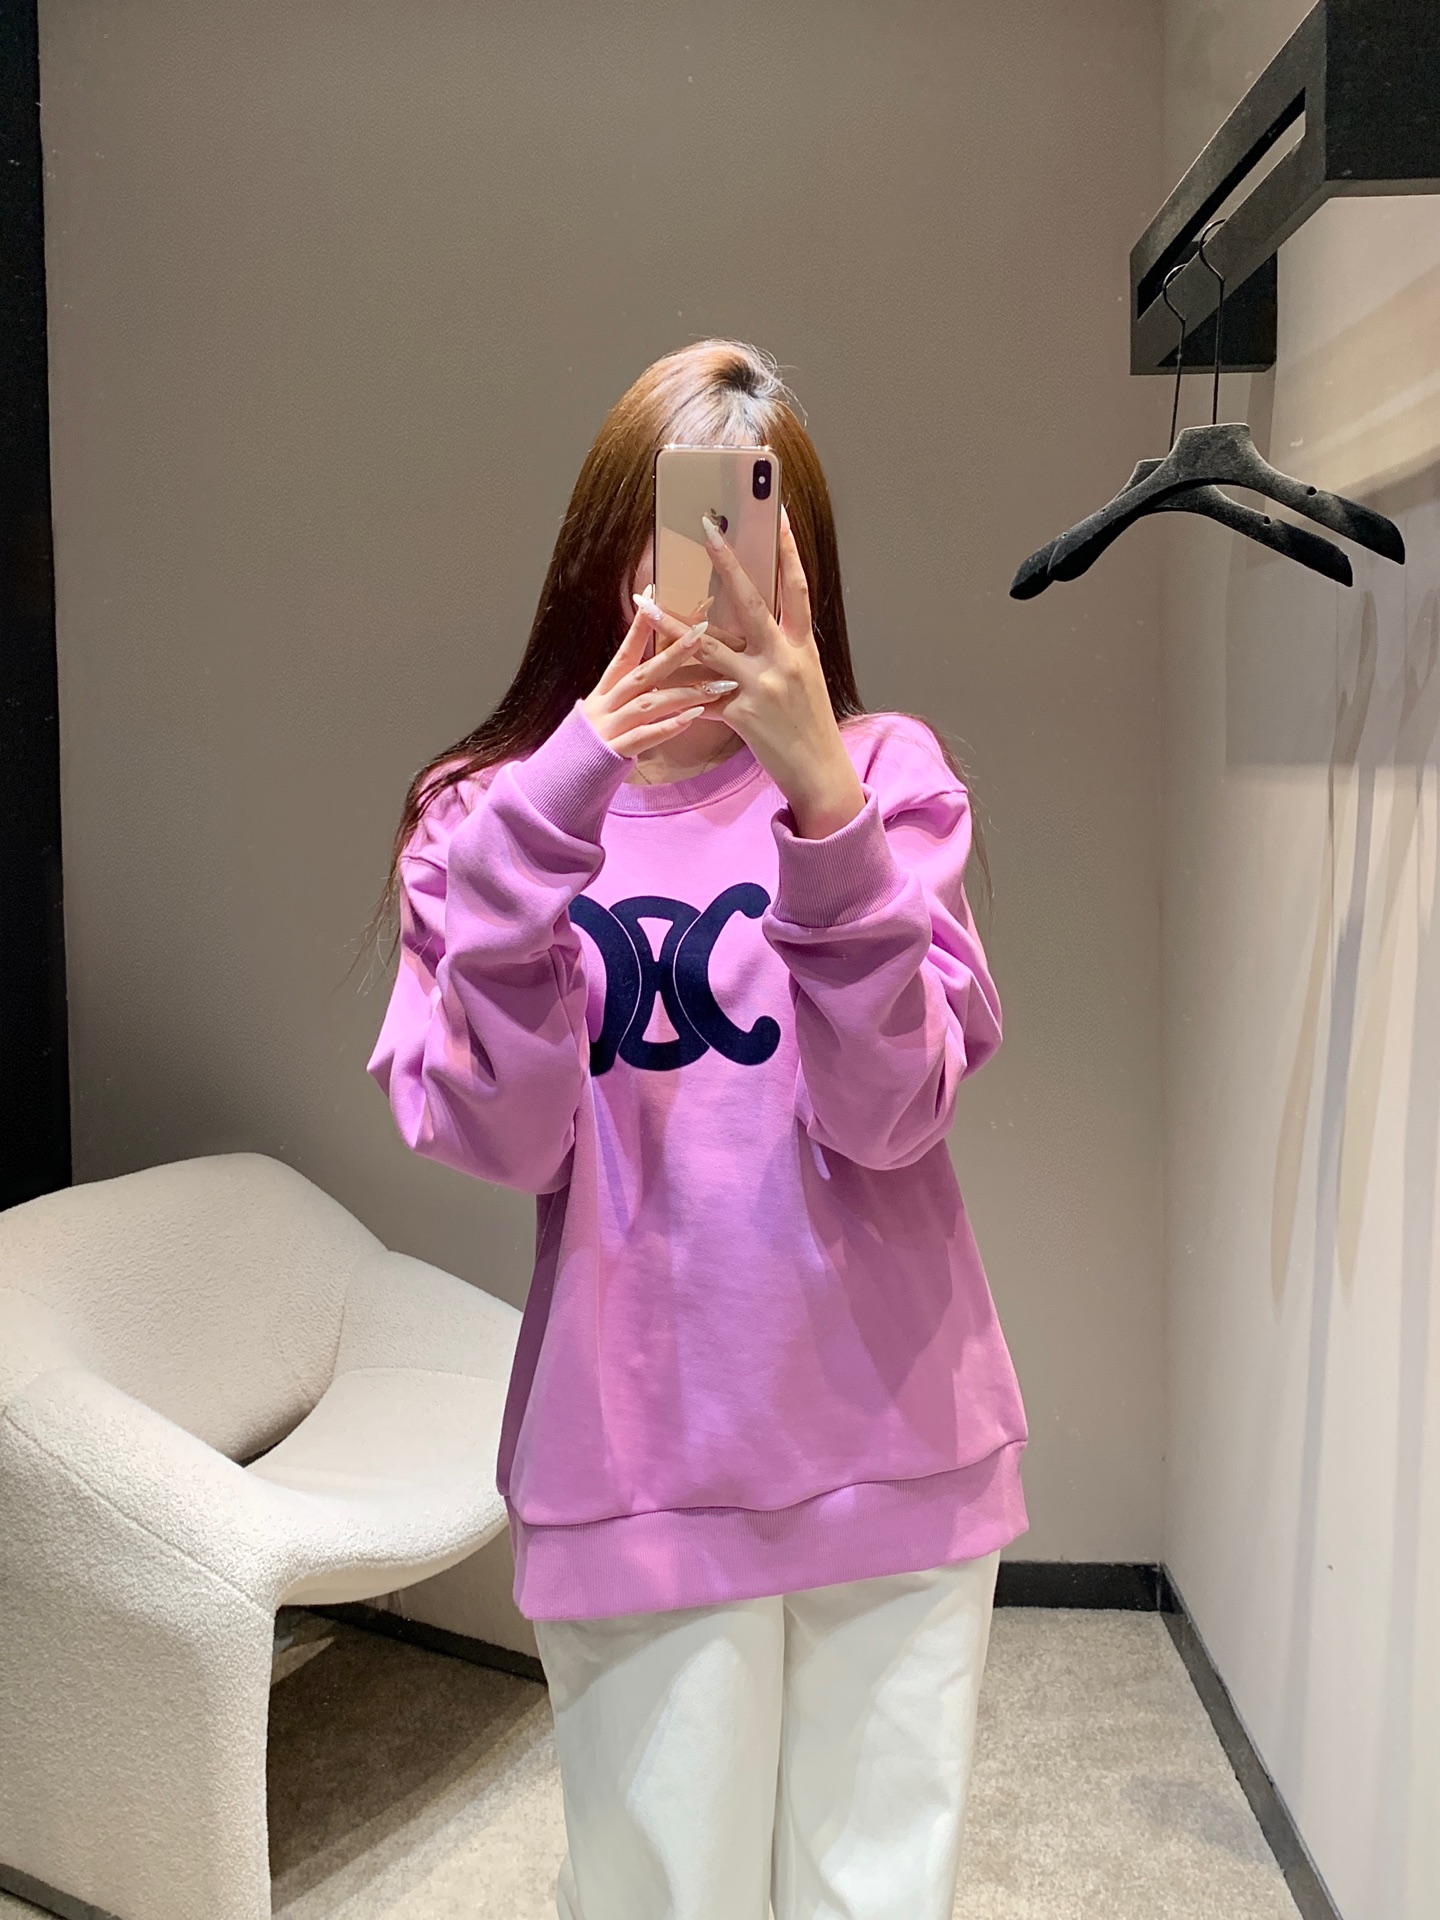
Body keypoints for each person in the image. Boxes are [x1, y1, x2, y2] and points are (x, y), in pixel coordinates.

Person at [366, 339, 1029, 1920]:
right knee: (665, 1900)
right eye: (667, 530)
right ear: (604, 554)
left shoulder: (888, 781)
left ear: (801, 567)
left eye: (745, 529)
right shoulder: (486, 817)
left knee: (875, 1901)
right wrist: (570, 785)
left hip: (899, 1449)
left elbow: (891, 1116)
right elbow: (503, 1137)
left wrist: (823, 809)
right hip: (639, 1463)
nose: (695, 578)